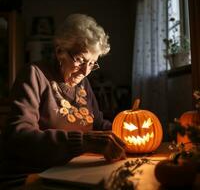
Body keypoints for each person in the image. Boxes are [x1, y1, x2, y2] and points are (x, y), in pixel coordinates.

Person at [0, 14, 126, 181]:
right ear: (60, 51)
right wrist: (83, 142)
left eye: (92, 64)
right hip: (32, 175)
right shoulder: (34, 74)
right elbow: (19, 136)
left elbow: (97, 124)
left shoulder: (83, 82)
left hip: (72, 172)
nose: (85, 71)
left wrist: (124, 132)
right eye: (81, 60)